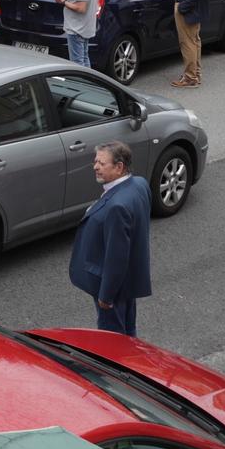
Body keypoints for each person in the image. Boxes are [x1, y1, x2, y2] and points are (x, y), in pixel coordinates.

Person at [68, 142, 151, 335]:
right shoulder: (139, 184)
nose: (95, 167)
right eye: (95, 161)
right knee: (128, 330)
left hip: (113, 287)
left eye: (102, 163)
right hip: (129, 282)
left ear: (119, 167)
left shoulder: (117, 207)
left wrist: (106, 296)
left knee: (112, 339)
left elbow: (116, 257)